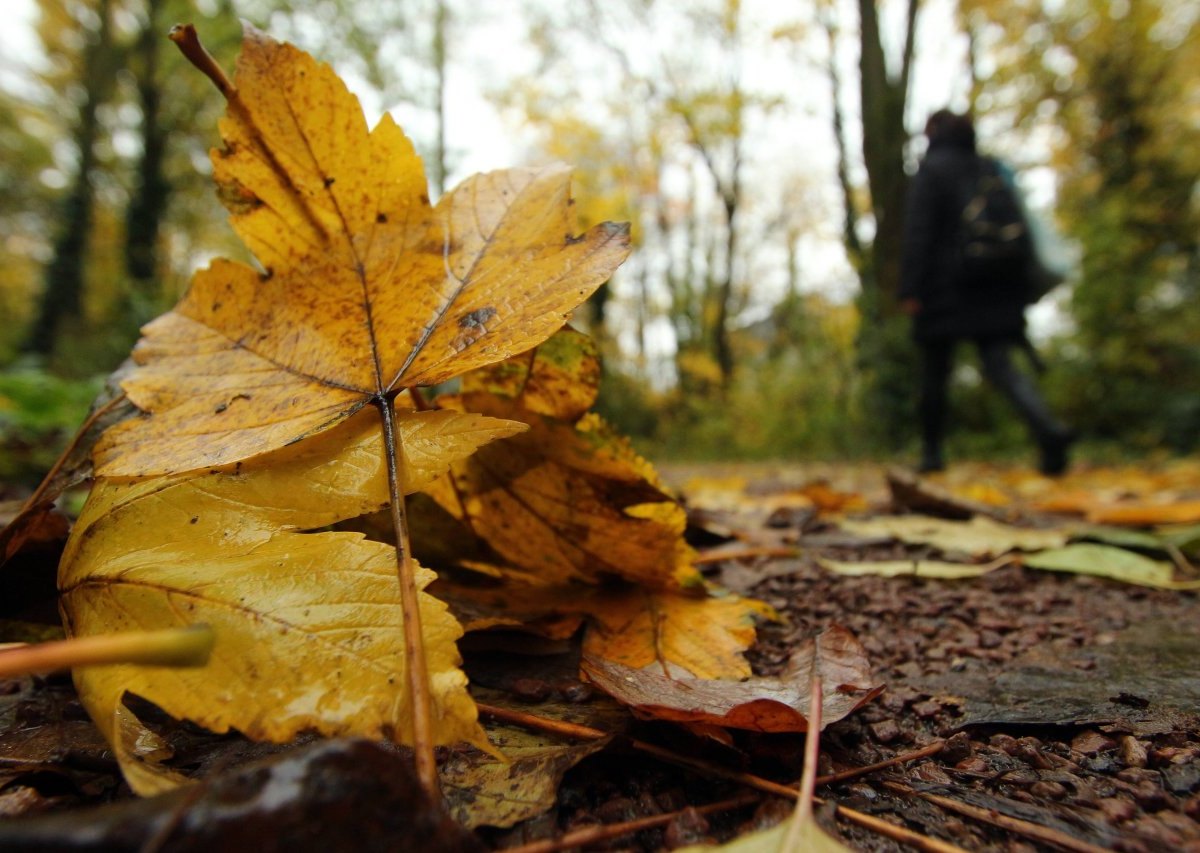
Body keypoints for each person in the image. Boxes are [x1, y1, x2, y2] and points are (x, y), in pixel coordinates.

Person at [899, 109, 1073, 475]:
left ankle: (931, 454)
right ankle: (1047, 428)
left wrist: (910, 288)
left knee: (935, 373)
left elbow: (919, 234)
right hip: (995, 284)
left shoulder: (932, 171)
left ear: (933, 132)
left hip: (944, 287)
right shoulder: (988, 168)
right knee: (1002, 366)